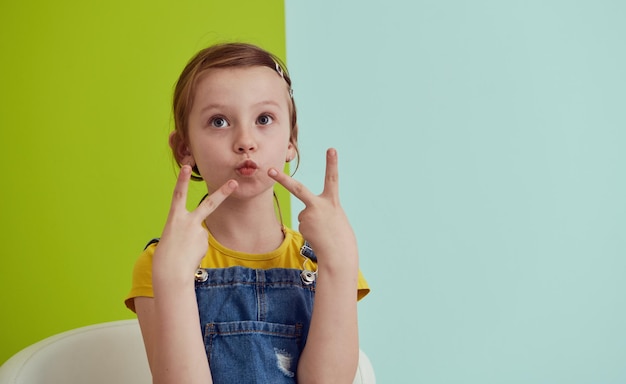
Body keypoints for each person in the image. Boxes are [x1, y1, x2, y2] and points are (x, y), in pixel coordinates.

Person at [125, 42, 369, 384]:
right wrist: (173, 278)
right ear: (185, 148)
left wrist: (342, 260)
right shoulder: (161, 262)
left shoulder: (323, 259)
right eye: (219, 121)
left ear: (290, 142)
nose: (245, 140)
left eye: (264, 119)